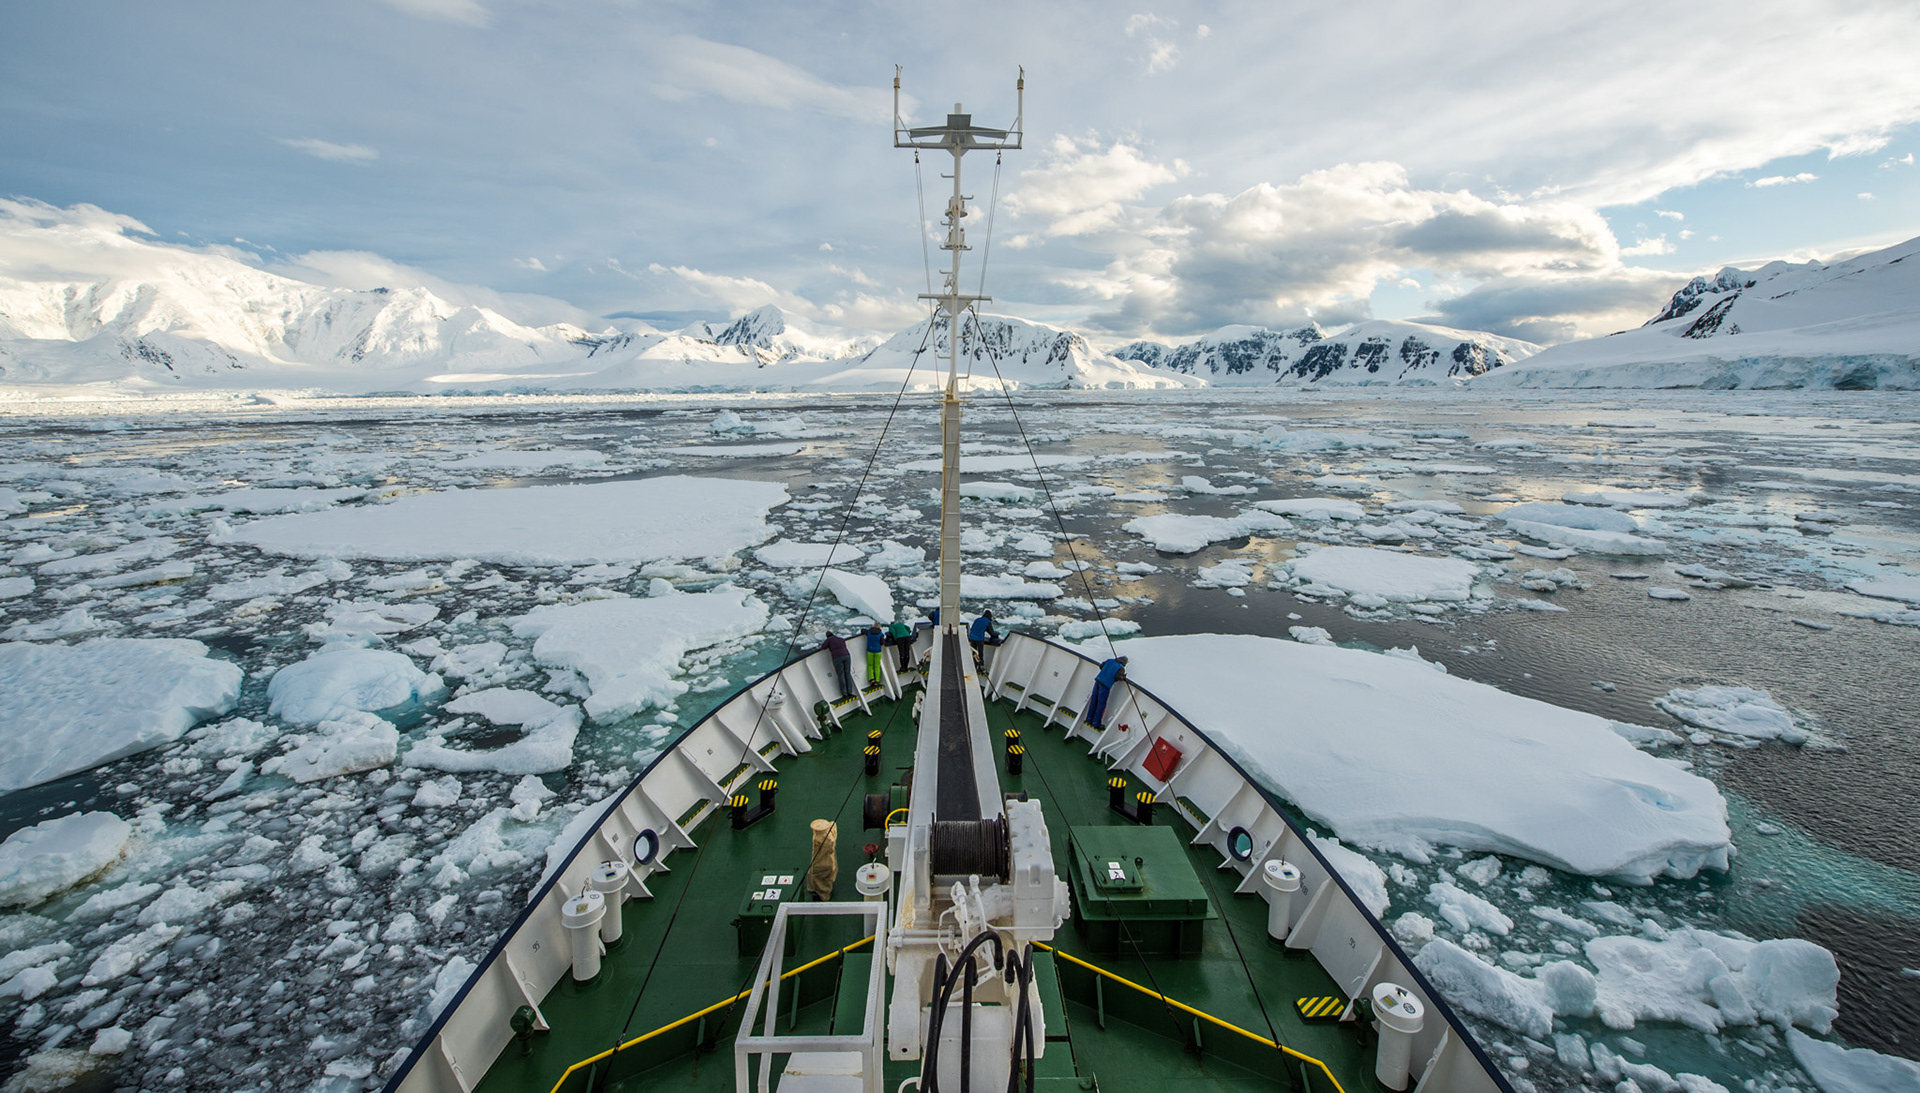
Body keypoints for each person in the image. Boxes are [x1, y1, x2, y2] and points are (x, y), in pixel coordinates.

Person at [1086, 654, 1127, 729]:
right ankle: (1096, 723)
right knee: (1101, 705)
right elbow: (1118, 677)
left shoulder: (1110, 660)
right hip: (1105, 685)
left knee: (1094, 701)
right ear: (1124, 663)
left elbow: (1101, 666)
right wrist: (1123, 677)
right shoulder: (1121, 668)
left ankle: (1089, 719)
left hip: (1098, 681)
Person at [823, 630, 854, 698]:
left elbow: (823, 647)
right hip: (847, 655)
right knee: (847, 673)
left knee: (841, 675)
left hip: (837, 657)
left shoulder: (829, 640)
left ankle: (844, 693)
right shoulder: (841, 639)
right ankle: (850, 691)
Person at [864, 623, 885, 688]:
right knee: (877, 666)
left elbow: (862, 630)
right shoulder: (881, 634)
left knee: (870, 665)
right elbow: (882, 643)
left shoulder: (868, 632)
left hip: (870, 651)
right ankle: (877, 680)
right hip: (878, 651)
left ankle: (871, 679)